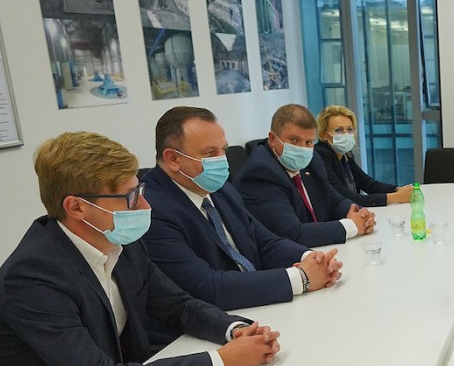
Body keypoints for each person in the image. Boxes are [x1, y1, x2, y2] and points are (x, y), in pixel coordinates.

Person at [0, 132, 282, 366]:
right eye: (130, 197)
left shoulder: (121, 242)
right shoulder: (34, 276)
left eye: (140, 191)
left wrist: (234, 330)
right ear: (76, 207)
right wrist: (223, 361)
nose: (145, 206)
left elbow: (177, 306)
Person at [142, 106, 342, 312]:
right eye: (210, 153)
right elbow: (205, 287)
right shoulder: (151, 210)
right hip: (214, 320)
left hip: (257, 306)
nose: (222, 160)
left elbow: (263, 242)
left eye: (223, 150)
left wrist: (312, 259)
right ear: (173, 159)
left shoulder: (220, 188)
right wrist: (302, 278)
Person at [236, 104, 376, 247]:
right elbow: (292, 233)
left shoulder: (312, 159)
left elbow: (333, 199)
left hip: (319, 250)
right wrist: (351, 225)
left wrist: (361, 215)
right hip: (288, 256)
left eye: (308, 142)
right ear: (272, 138)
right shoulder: (260, 172)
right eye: (294, 140)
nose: (302, 148)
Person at [315, 104, 413, 207]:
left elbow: (367, 183)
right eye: (338, 130)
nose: (346, 134)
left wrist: (398, 189)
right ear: (324, 134)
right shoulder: (320, 156)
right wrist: (396, 197)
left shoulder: (345, 154)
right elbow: (346, 198)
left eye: (350, 129)